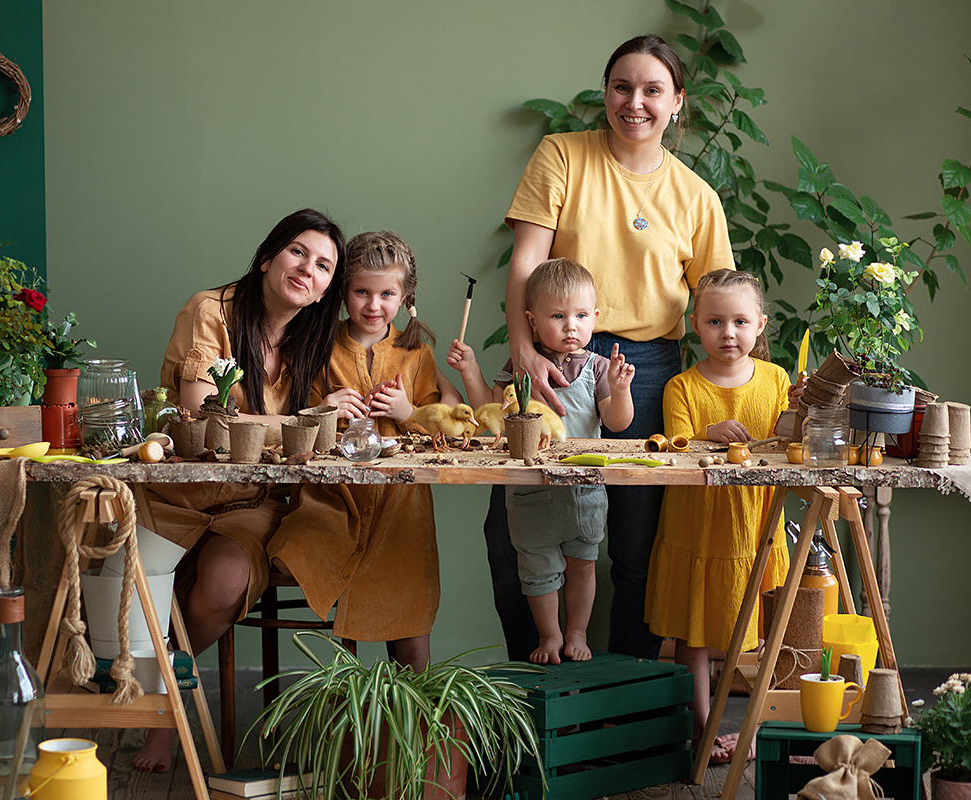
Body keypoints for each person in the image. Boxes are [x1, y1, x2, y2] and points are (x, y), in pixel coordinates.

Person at [483, 33, 734, 661]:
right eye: (622, 87)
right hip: (549, 351)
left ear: (678, 101)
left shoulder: (697, 197)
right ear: (606, 93)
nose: (635, 102)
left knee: (635, 547)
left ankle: (625, 697)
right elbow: (526, 263)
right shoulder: (561, 155)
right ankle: (533, 692)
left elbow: (719, 306)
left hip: (644, 370)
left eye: (652, 90)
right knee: (513, 535)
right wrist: (524, 350)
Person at [133, 208, 347, 772]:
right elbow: (207, 422)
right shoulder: (211, 311)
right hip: (178, 493)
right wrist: (303, 422)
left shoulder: (312, 341)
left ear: (326, 290)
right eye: (298, 252)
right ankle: (147, 696)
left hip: (252, 501)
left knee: (225, 581)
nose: (307, 269)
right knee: (122, 597)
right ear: (267, 257)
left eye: (323, 266)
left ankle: (167, 698)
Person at [267, 231, 461, 671]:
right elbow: (289, 419)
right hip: (332, 502)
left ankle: (411, 716)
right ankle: (344, 711)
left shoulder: (416, 354)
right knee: (294, 567)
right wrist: (323, 409)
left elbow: (443, 428)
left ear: (405, 297)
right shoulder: (318, 345)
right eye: (361, 292)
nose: (374, 306)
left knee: (410, 636)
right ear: (343, 291)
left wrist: (407, 411)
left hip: (400, 510)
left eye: (387, 294)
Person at [644, 269, 797, 765]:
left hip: (755, 526)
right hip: (698, 526)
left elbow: (788, 441)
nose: (727, 333)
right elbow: (676, 447)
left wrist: (804, 410)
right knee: (693, 632)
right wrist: (708, 432)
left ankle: (755, 729)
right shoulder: (681, 387)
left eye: (739, 322)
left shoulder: (777, 381)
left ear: (760, 325)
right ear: (695, 325)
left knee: (760, 629)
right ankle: (703, 728)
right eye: (714, 322)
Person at [449, 258, 634, 664]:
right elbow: (488, 413)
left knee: (583, 566)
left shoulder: (599, 368)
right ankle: (550, 636)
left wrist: (620, 390)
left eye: (580, 316)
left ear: (595, 317)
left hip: (584, 491)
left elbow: (617, 423)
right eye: (557, 316)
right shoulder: (519, 367)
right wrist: (470, 369)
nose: (571, 326)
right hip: (529, 491)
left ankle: (577, 632)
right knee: (537, 571)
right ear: (531, 320)